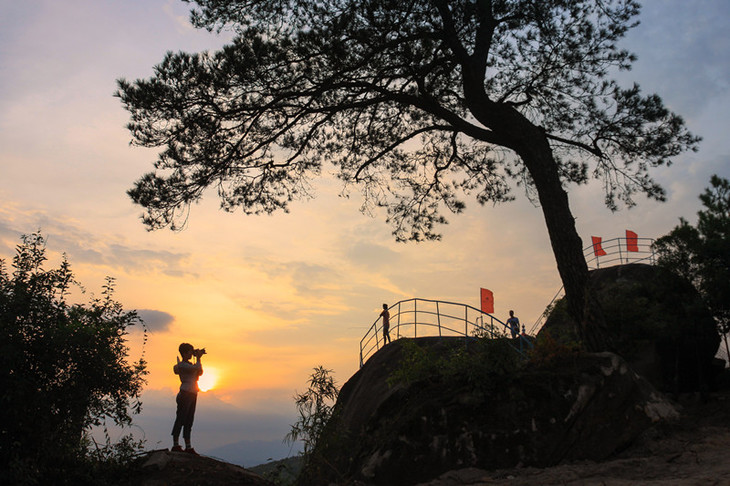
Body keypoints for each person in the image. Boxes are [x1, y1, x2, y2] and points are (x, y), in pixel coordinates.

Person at [171, 343, 205, 454]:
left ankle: (188, 446)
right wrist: (198, 358)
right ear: (185, 353)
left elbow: (200, 372)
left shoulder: (189, 365)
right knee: (181, 418)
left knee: (189, 420)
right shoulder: (182, 365)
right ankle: (176, 444)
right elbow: (197, 368)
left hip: (192, 393)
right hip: (185, 393)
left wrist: (198, 359)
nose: (191, 353)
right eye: (190, 351)